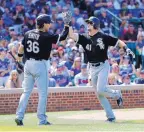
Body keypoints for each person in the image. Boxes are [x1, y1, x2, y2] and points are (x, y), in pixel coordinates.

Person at [69, 16, 135, 122]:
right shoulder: (84, 37)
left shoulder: (103, 37)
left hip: (103, 65)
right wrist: (68, 24)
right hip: (92, 67)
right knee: (99, 94)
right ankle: (111, 117)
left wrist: (126, 48)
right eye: (88, 23)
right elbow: (71, 35)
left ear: (95, 25)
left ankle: (117, 95)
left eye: (90, 23)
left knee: (100, 89)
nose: (88, 25)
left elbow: (118, 42)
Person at [15, 13, 70, 126]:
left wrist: (19, 60)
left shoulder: (28, 33)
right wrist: (67, 25)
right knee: (43, 94)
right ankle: (42, 120)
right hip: (40, 64)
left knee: (26, 92)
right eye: (49, 23)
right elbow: (63, 37)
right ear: (44, 24)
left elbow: (21, 48)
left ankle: (19, 116)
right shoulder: (46, 35)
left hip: (28, 64)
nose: (50, 25)